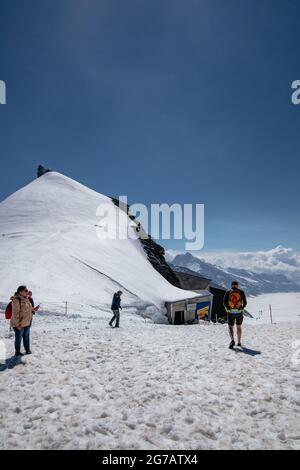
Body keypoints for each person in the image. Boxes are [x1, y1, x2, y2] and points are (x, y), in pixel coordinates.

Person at [10, 286, 39, 356]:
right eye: (25, 290)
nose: (27, 292)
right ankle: (17, 352)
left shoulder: (26, 299)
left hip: (26, 322)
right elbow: (15, 314)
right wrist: (18, 324)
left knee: (26, 337)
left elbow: (28, 308)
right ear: (20, 292)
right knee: (18, 338)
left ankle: (27, 350)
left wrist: (33, 309)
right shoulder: (16, 300)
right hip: (19, 324)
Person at [223, 281, 247, 349]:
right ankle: (239, 342)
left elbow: (224, 302)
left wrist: (228, 309)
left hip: (231, 312)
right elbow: (245, 302)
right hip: (239, 312)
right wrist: (241, 308)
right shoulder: (241, 292)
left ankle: (232, 340)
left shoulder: (228, 292)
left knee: (230, 327)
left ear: (231, 285)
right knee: (238, 326)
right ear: (237, 285)